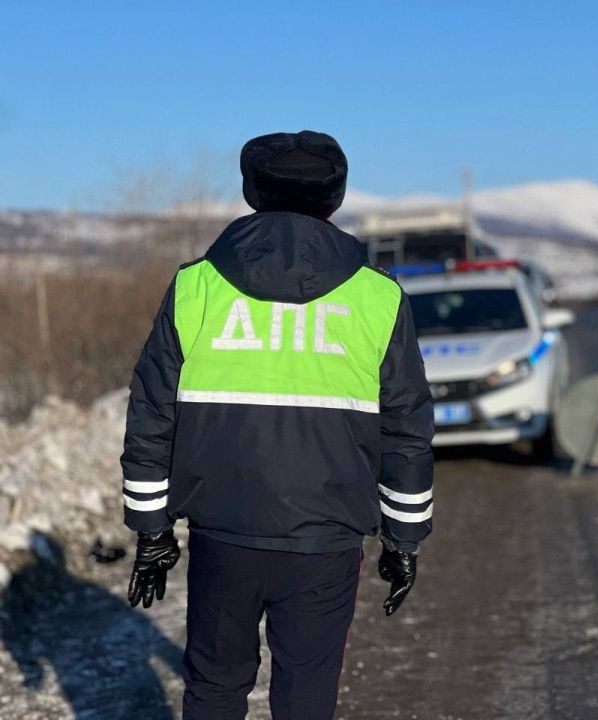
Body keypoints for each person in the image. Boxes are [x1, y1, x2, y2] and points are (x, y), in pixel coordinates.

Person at [120, 130, 435, 720]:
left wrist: (151, 528)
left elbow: (151, 413)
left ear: (253, 192)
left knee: (214, 687)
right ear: (336, 197)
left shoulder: (196, 286)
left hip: (223, 534)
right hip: (327, 541)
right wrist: (404, 536)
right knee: (307, 694)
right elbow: (407, 428)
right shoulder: (379, 297)